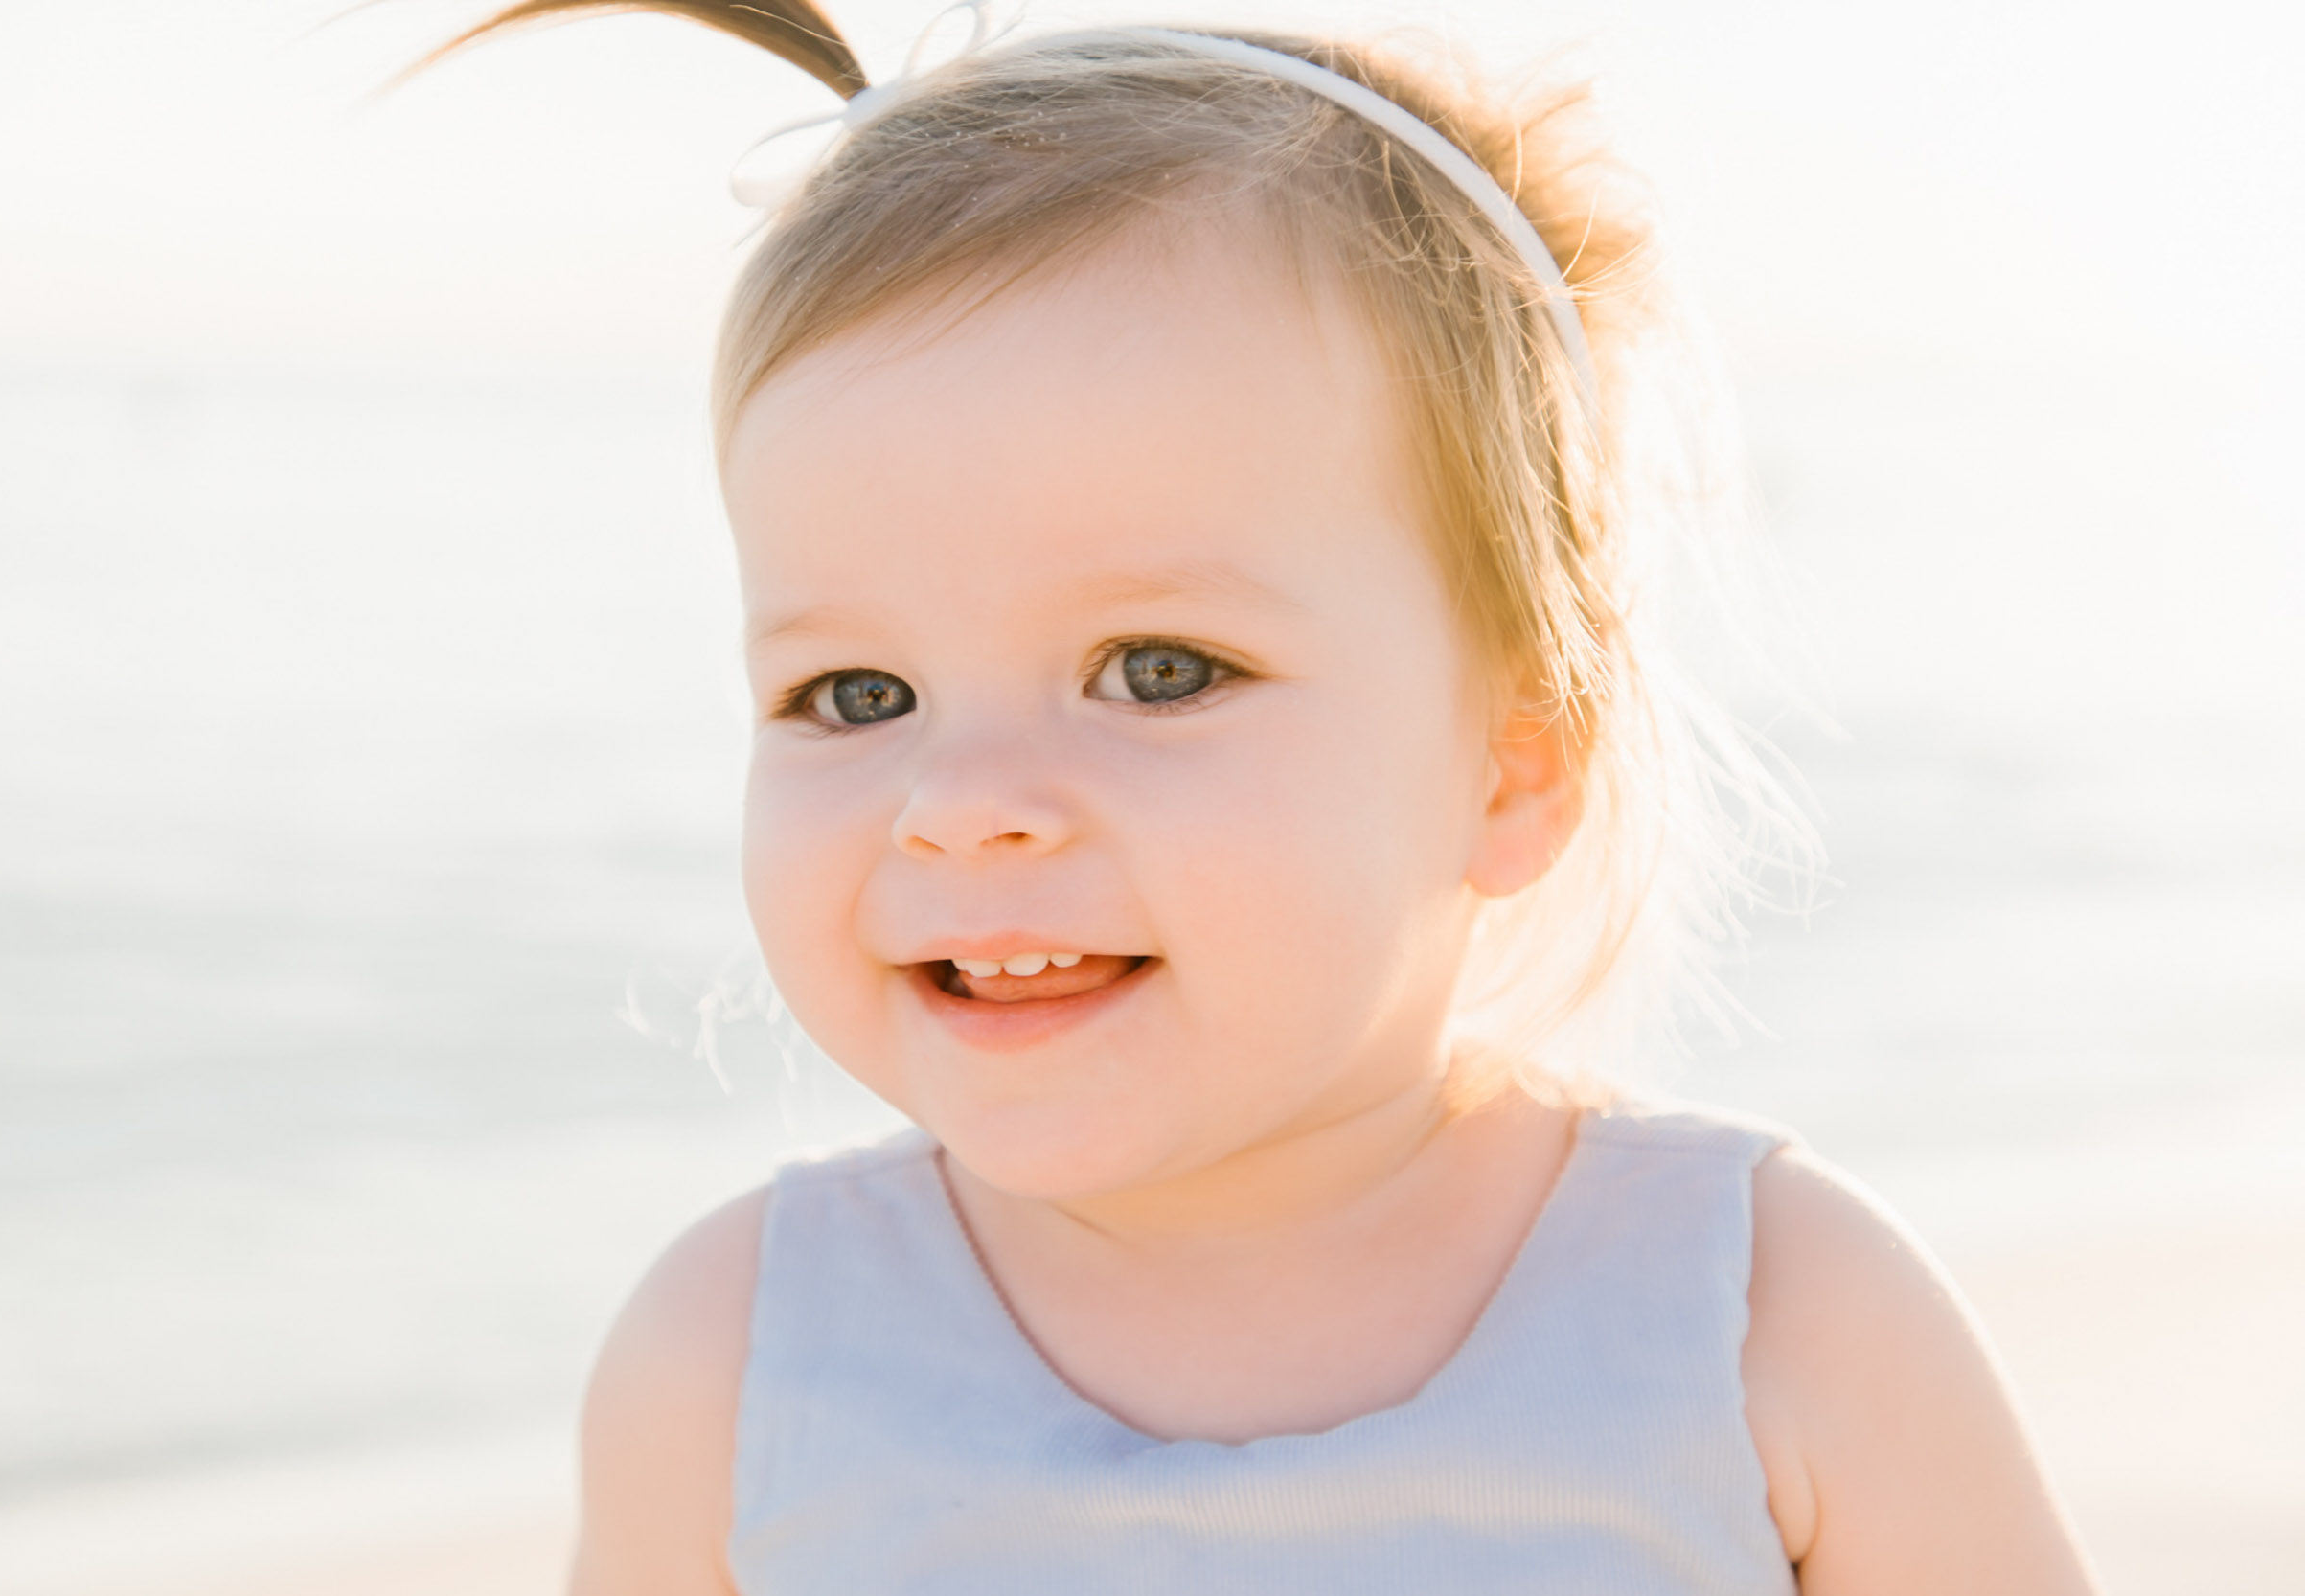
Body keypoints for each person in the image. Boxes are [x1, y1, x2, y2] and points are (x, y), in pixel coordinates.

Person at [429, 4, 2099, 1590]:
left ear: (1518, 760)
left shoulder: (1772, 1323)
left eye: (1158, 668)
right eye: (853, 695)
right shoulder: (734, 1363)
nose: (962, 804)